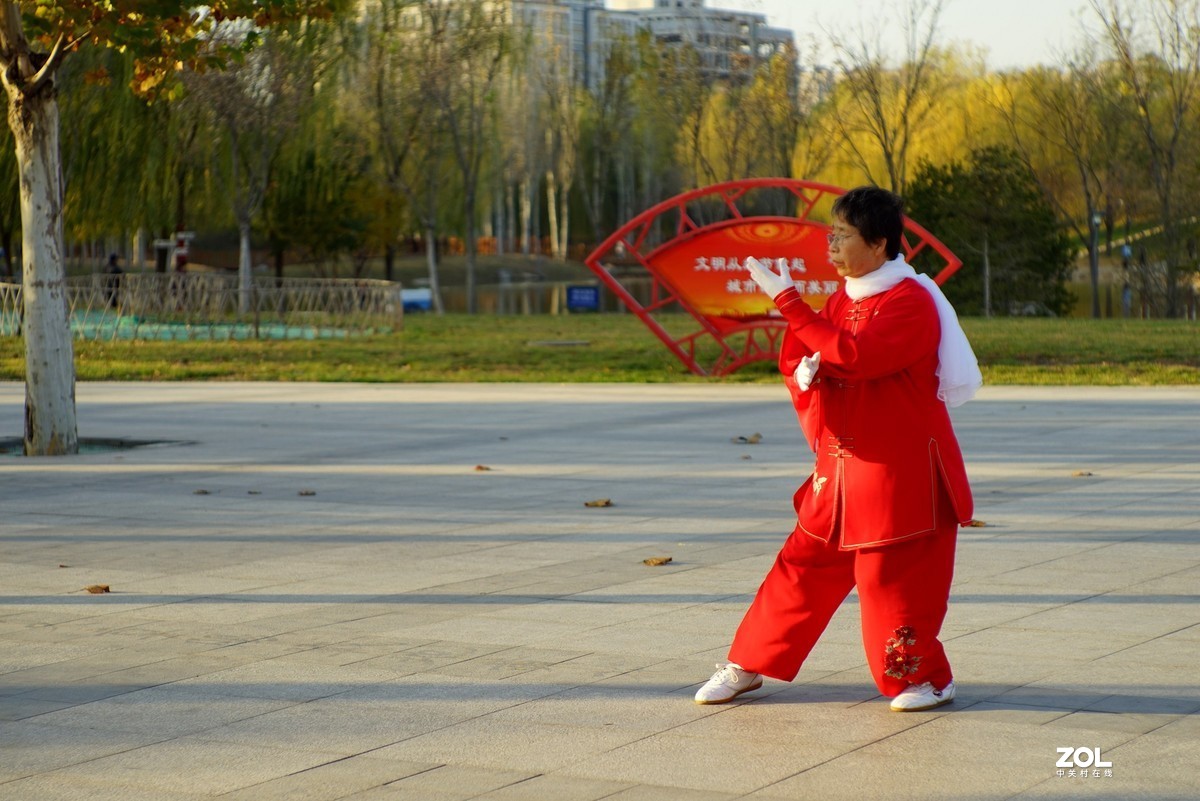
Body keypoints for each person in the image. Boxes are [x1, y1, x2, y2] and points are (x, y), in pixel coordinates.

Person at [694, 186, 982, 712]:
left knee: (892, 582)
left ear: (878, 243)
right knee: (800, 567)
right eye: (831, 233)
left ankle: (926, 679)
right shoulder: (843, 298)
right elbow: (817, 347)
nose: (831, 244)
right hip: (841, 469)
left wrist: (789, 303)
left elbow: (856, 356)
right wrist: (806, 368)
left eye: (843, 235)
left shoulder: (910, 301)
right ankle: (747, 664)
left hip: (899, 473)